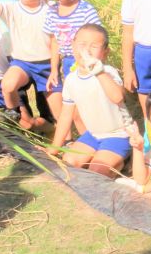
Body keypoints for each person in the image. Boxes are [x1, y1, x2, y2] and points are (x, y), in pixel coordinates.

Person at [47, 24, 133, 177]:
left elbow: (118, 97)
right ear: (73, 46)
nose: (86, 50)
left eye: (94, 46)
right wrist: (54, 148)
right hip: (93, 134)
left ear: (105, 52)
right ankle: (102, 157)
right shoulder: (71, 79)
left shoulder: (108, 72)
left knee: (97, 170)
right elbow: (66, 116)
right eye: (82, 44)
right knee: (69, 162)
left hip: (118, 134)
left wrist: (98, 71)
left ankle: (122, 162)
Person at [42, 0, 102, 121]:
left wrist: (89, 61)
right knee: (72, 104)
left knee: (87, 104)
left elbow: (98, 39)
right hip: (67, 63)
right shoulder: (52, 11)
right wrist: (54, 69)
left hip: (84, 62)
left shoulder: (85, 10)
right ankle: (81, 139)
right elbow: (54, 42)